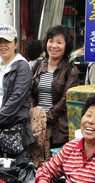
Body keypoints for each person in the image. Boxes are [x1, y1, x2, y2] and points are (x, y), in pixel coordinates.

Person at [0, 25, 34, 165]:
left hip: (13, 128)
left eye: (7, 41)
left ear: (15, 44)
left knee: (14, 173)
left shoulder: (22, 66)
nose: (3, 45)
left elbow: (16, 99)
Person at [30, 25, 79, 163]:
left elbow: (65, 100)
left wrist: (45, 118)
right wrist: (34, 114)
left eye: (59, 42)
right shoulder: (37, 66)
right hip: (36, 126)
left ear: (66, 46)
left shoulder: (71, 70)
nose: (54, 46)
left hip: (57, 127)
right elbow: (29, 92)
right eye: (51, 41)